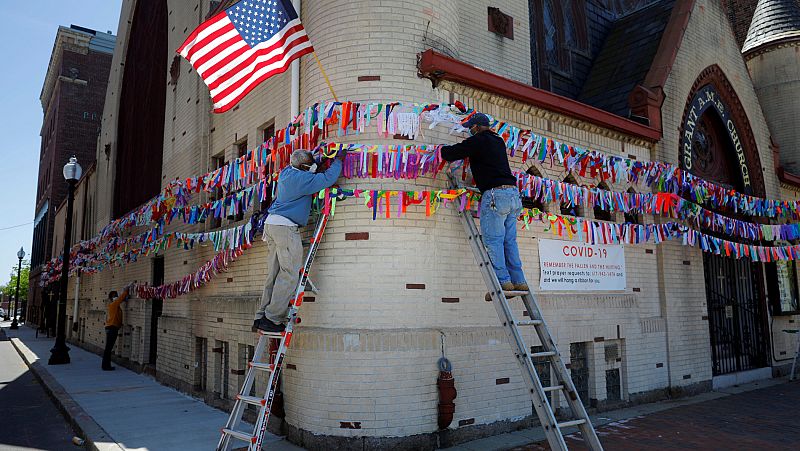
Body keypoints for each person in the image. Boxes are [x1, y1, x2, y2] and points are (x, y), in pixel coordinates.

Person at [253, 149, 345, 333]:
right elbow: (327, 179)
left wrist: (318, 160)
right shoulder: (303, 181)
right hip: (285, 228)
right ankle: (272, 318)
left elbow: (307, 166)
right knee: (289, 273)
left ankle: (261, 316)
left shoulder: (287, 172)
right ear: (304, 166)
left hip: (272, 225)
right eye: (309, 165)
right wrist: (338, 161)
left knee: (274, 273)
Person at [441, 113, 528, 292]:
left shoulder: (479, 140)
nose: (470, 131)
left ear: (478, 127)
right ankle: (519, 280)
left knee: (493, 241)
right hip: (513, 195)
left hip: (496, 194)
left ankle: (503, 283)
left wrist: (440, 150)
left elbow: (454, 152)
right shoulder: (498, 141)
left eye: (471, 128)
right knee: (509, 241)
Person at [103, 284, 132, 370]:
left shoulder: (116, 306)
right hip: (111, 328)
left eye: (116, 295)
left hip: (113, 328)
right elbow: (120, 299)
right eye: (114, 296)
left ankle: (106, 365)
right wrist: (126, 290)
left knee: (109, 347)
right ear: (111, 298)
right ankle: (106, 366)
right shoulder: (113, 304)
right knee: (108, 348)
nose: (116, 297)